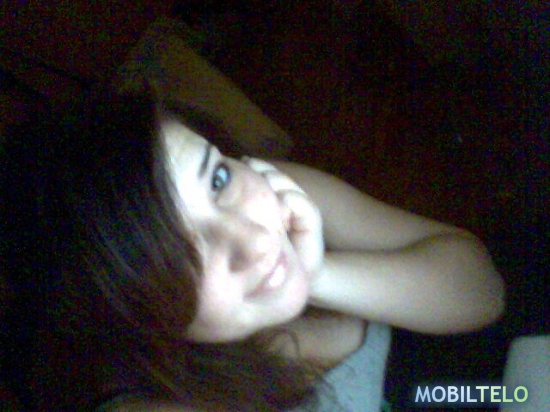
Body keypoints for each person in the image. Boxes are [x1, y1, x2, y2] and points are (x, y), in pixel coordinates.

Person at [2, 86, 505, 412]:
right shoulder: (156, 401)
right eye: (177, 255)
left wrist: (318, 276)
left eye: (217, 179)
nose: (256, 240)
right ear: (128, 317)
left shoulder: (283, 195)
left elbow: (482, 292)